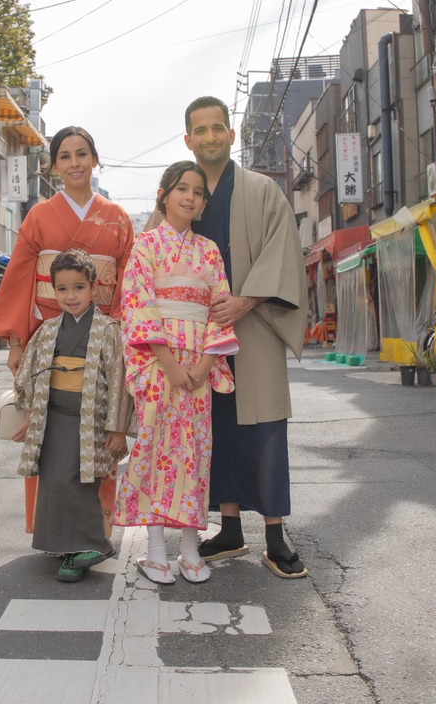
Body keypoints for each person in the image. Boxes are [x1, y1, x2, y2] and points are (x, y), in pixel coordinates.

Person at [149, 96, 310, 579]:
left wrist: (246, 301)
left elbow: (283, 252)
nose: (210, 137)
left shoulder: (262, 190)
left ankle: (275, 537)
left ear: (231, 134)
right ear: (188, 140)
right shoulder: (183, 190)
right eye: (200, 130)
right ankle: (230, 528)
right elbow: (151, 263)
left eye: (218, 128)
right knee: (211, 430)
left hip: (254, 327)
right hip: (194, 341)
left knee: (264, 428)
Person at [0, 125, 135, 534]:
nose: (74, 163)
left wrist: (118, 333)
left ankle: (97, 526)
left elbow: (128, 281)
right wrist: (17, 341)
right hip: (48, 334)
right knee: (48, 431)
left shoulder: (118, 218)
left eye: (82, 154)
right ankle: (50, 524)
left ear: (95, 159)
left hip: (101, 336)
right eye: (65, 156)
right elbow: (19, 277)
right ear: (54, 166)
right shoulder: (39, 215)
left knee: (99, 428)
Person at [116, 161, 239, 585]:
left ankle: (189, 550)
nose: (190, 197)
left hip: (199, 366)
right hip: (158, 364)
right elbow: (138, 306)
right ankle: (155, 552)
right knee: (154, 449)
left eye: (198, 192)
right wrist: (168, 363)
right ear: (164, 195)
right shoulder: (146, 245)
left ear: (203, 204)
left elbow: (220, 309)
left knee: (195, 453)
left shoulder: (209, 251)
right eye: (182, 188)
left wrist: (204, 365)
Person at [11, 249, 132, 583]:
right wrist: (30, 416)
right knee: (53, 479)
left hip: (89, 417)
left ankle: (92, 545)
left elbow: (119, 380)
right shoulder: (49, 329)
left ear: (93, 287)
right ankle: (66, 545)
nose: (70, 296)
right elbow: (32, 374)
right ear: (53, 291)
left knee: (78, 479)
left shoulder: (108, 330)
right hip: (53, 415)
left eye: (79, 287)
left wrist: (117, 427)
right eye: (62, 289)